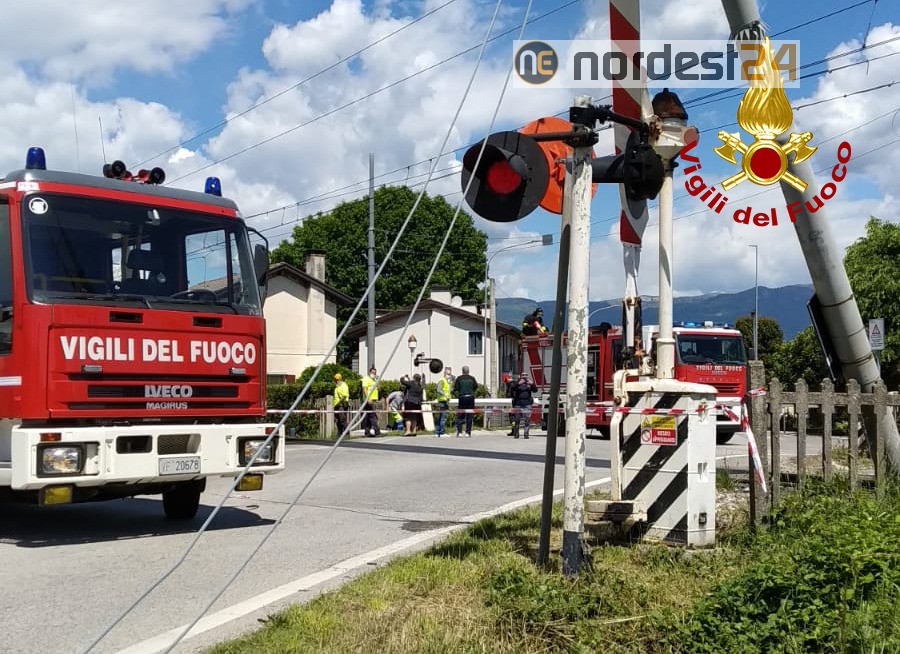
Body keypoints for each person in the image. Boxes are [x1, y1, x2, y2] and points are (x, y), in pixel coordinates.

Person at [453, 365, 478, 437]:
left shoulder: (459, 378)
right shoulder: (472, 378)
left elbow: (456, 388)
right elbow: (475, 386)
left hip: (462, 397)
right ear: (468, 371)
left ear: (462, 371)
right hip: (470, 397)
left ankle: (460, 432)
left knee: (460, 415)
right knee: (469, 415)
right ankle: (468, 432)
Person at [511, 373, 537, 439]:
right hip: (518, 404)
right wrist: (518, 383)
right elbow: (512, 388)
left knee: (527, 419)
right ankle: (516, 434)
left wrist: (532, 384)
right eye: (523, 375)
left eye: (526, 375)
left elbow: (535, 390)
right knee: (517, 419)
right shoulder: (517, 383)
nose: (524, 377)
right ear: (521, 376)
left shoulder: (529, 384)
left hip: (527, 404)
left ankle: (526, 434)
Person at [360, 366, 381, 437]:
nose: (373, 374)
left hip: (374, 400)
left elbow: (379, 388)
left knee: (368, 416)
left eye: (375, 373)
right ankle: (377, 432)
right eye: (372, 372)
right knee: (373, 416)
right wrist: (368, 398)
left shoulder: (374, 380)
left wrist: (377, 380)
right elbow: (364, 389)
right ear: (369, 372)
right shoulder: (366, 379)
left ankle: (367, 432)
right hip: (369, 400)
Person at [434, 368, 453, 437]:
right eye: (448, 374)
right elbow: (438, 389)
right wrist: (445, 395)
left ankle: (437, 432)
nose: (449, 375)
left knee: (440, 417)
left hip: (444, 400)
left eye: (450, 374)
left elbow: (448, 390)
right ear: (444, 374)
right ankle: (441, 432)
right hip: (442, 401)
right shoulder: (442, 380)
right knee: (443, 417)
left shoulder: (447, 382)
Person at [503, 373, 518, 437]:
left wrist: (507, 402)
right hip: (515, 403)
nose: (505, 383)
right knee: (514, 417)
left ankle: (514, 431)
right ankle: (514, 430)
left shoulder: (510, 385)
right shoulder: (515, 383)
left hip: (512, 404)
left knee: (512, 417)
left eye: (505, 381)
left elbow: (509, 395)